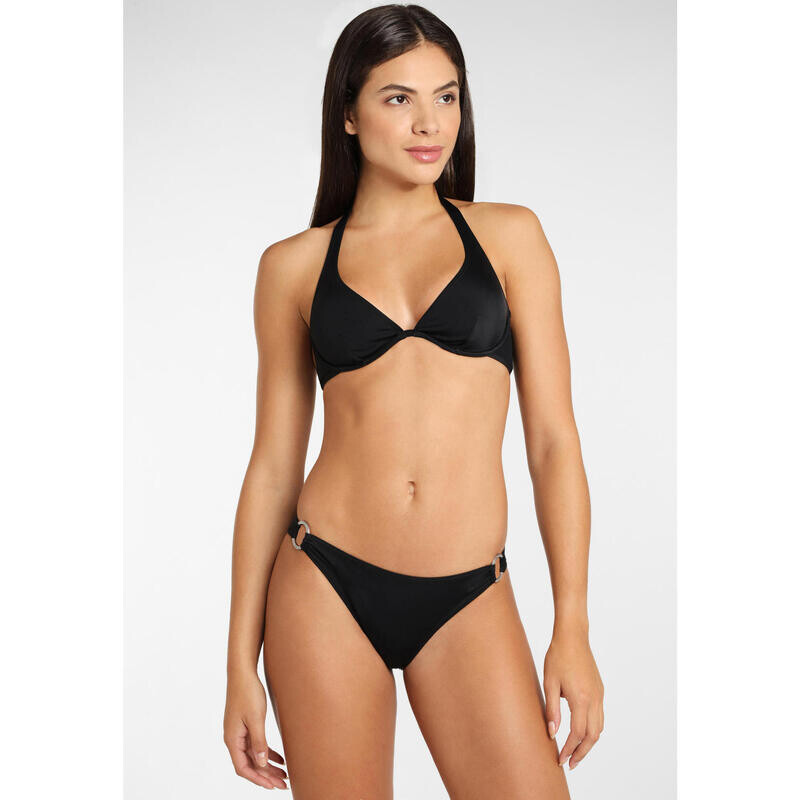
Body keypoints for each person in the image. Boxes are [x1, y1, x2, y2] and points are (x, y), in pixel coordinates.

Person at [224, 4, 603, 796]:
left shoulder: (510, 237)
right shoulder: (292, 266)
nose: (430, 123)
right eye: (398, 98)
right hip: (324, 582)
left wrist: (571, 622)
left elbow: (553, 443)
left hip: (470, 591)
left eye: (447, 97)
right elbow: (272, 468)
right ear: (349, 114)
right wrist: (238, 666)